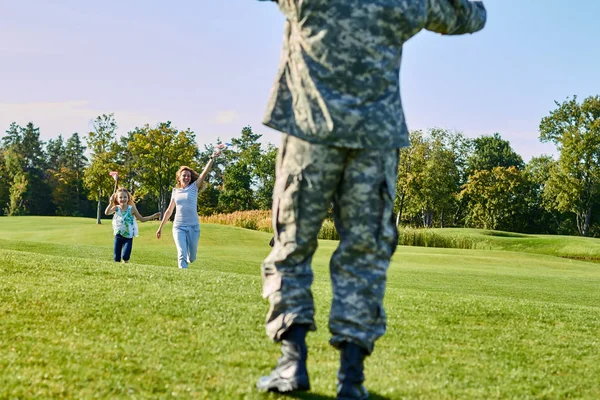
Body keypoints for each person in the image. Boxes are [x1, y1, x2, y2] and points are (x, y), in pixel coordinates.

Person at [255, 0, 487, 398]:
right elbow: (471, 15)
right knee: (364, 256)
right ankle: (352, 379)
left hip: (310, 135)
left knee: (291, 246)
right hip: (375, 141)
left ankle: (292, 363)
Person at [156, 151, 221, 269]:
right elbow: (169, 211)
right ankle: (183, 275)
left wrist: (212, 158)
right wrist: (160, 228)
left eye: (188, 176)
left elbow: (204, 173)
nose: (186, 177)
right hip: (178, 226)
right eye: (184, 175)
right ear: (179, 178)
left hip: (193, 227)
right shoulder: (175, 191)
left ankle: (189, 260)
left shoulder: (194, 187)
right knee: (181, 253)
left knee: (192, 258)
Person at [104, 187, 161, 263]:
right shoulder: (116, 208)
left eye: (125, 197)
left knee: (125, 256)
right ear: (117, 199)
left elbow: (141, 219)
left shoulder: (132, 209)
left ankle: (125, 265)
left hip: (128, 236)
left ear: (128, 198)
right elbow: (106, 213)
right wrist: (110, 203)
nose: (123, 199)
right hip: (118, 235)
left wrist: (153, 216)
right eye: (120, 197)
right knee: (116, 258)